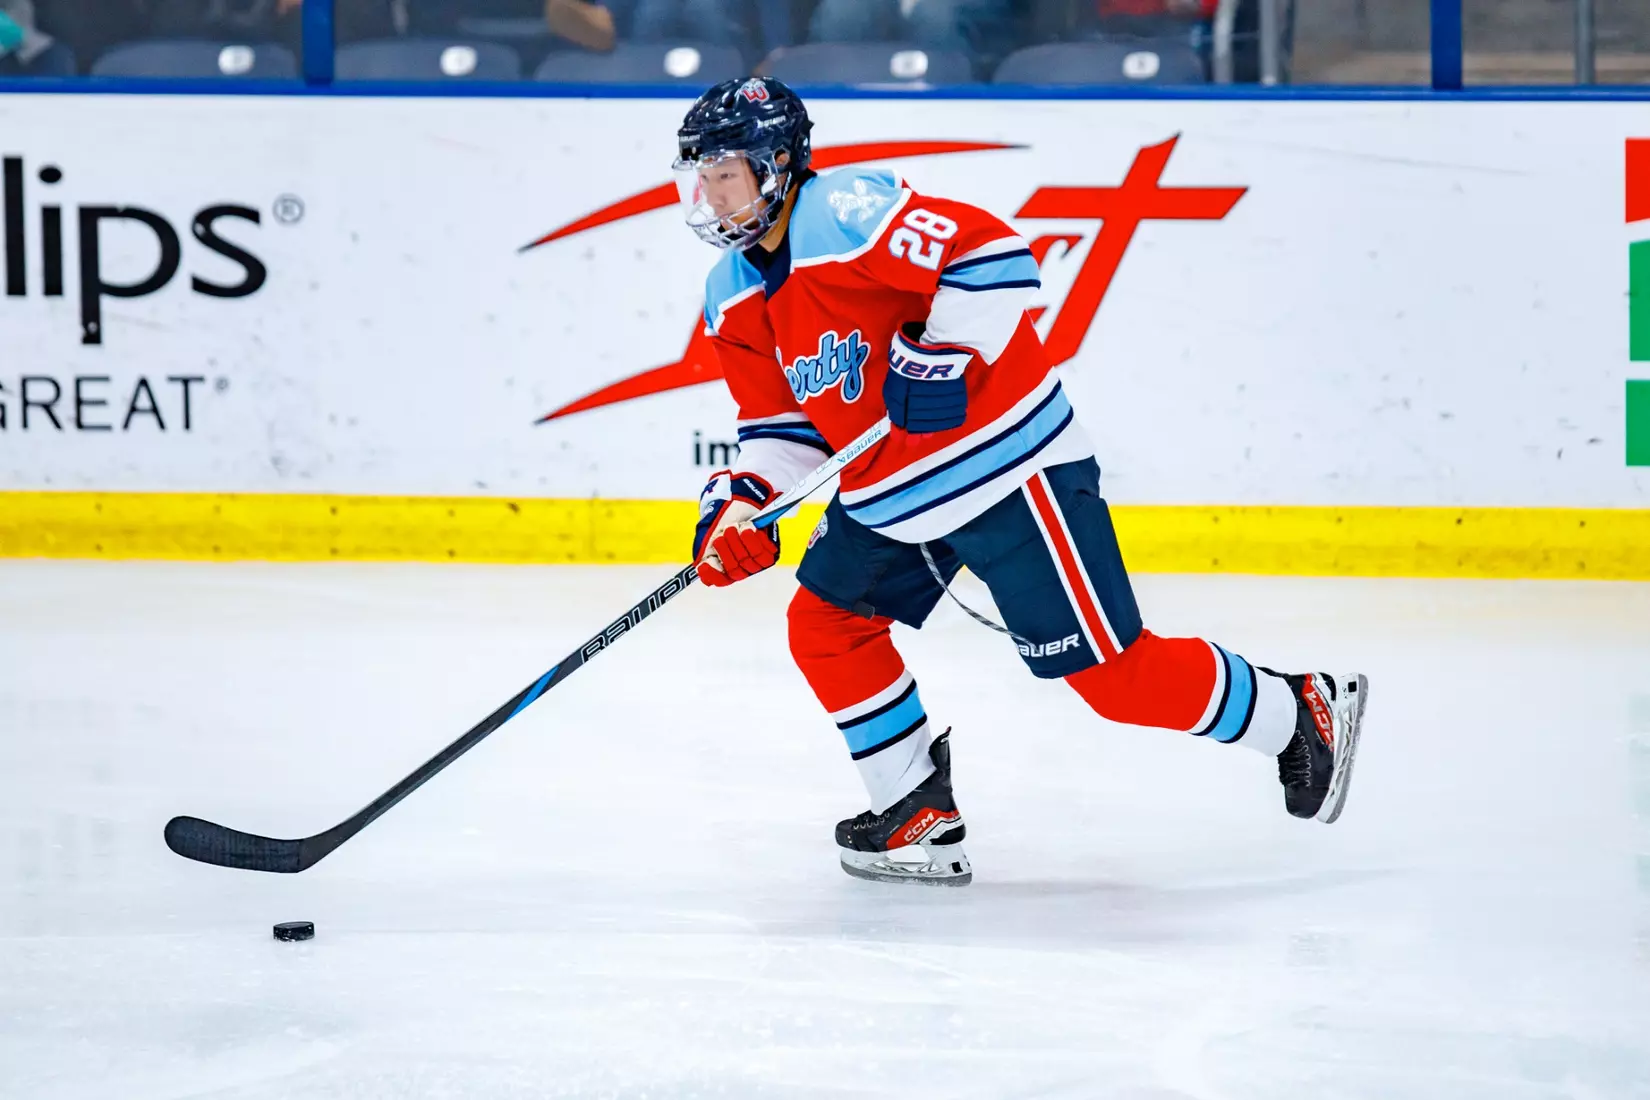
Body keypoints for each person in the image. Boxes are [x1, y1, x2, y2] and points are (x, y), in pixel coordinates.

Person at [674, 76, 1367, 886]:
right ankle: (914, 811)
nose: (709, 196)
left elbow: (993, 255)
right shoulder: (731, 295)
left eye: (726, 174)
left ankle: (1300, 714)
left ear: (780, 163)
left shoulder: (846, 213)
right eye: (700, 176)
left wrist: (946, 354)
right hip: (890, 496)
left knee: (1115, 680)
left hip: (1005, 467)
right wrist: (741, 505)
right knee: (825, 624)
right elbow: (782, 430)